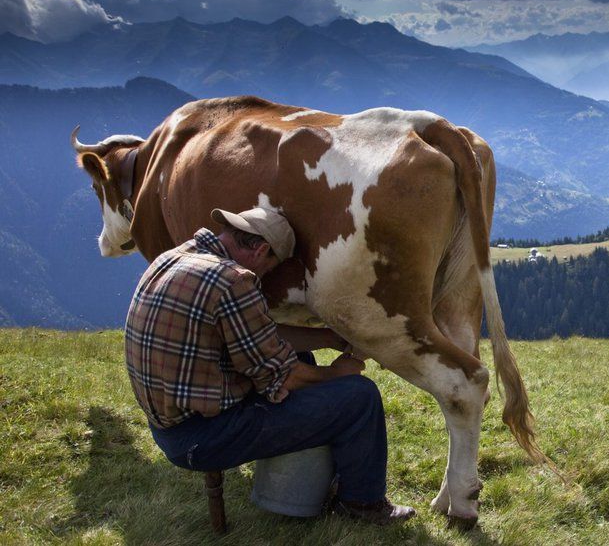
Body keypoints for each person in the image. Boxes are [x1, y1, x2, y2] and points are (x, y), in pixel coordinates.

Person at [124, 206, 415, 525]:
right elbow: (285, 377)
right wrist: (336, 373)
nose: (267, 275)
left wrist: (331, 338)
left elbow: (261, 336)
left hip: (170, 424)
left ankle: (316, 473)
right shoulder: (233, 281)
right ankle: (362, 503)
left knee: (301, 359)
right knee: (360, 396)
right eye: (271, 265)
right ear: (262, 250)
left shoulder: (173, 258)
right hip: (203, 437)